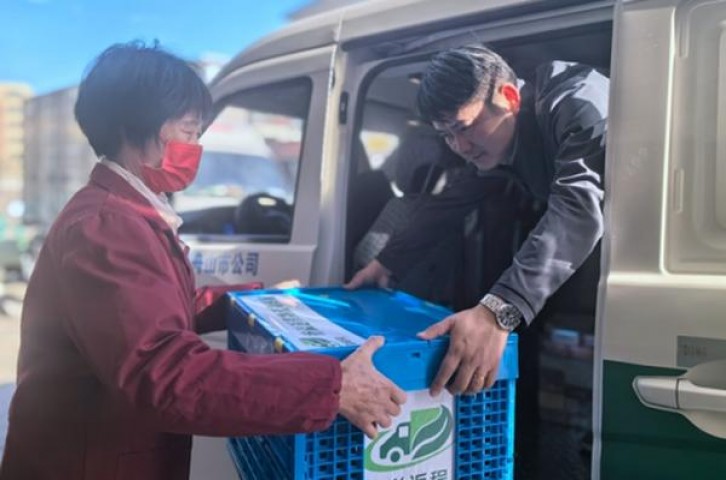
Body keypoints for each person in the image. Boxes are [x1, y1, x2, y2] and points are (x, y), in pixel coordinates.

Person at [0, 42, 406, 480]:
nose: (195, 147)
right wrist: (330, 387)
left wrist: (255, 299)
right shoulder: (106, 225)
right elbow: (164, 374)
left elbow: (159, 308)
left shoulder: (128, 211)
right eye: (190, 131)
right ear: (140, 128)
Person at [347, 44, 608, 398]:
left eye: (464, 127)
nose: (460, 146)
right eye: (446, 135)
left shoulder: (576, 104)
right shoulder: (498, 146)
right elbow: (450, 204)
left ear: (509, 97)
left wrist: (496, 312)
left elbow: (577, 209)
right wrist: (386, 262)